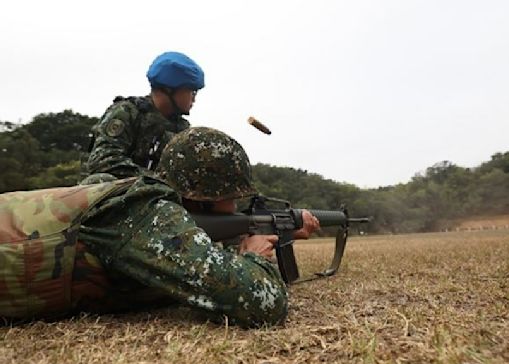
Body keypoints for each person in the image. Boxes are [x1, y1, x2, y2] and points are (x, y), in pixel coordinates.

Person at [0, 127, 319, 328]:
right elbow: (263, 304)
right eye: (233, 198)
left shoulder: (122, 196)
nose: (236, 208)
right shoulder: (148, 214)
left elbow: (193, 262)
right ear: (206, 196)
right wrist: (257, 257)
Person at [84, 51, 204, 179]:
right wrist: (158, 181)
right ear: (170, 90)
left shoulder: (182, 129)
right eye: (192, 92)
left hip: (158, 196)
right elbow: (103, 163)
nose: (194, 99)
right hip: (116, 193)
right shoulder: (127, 113)